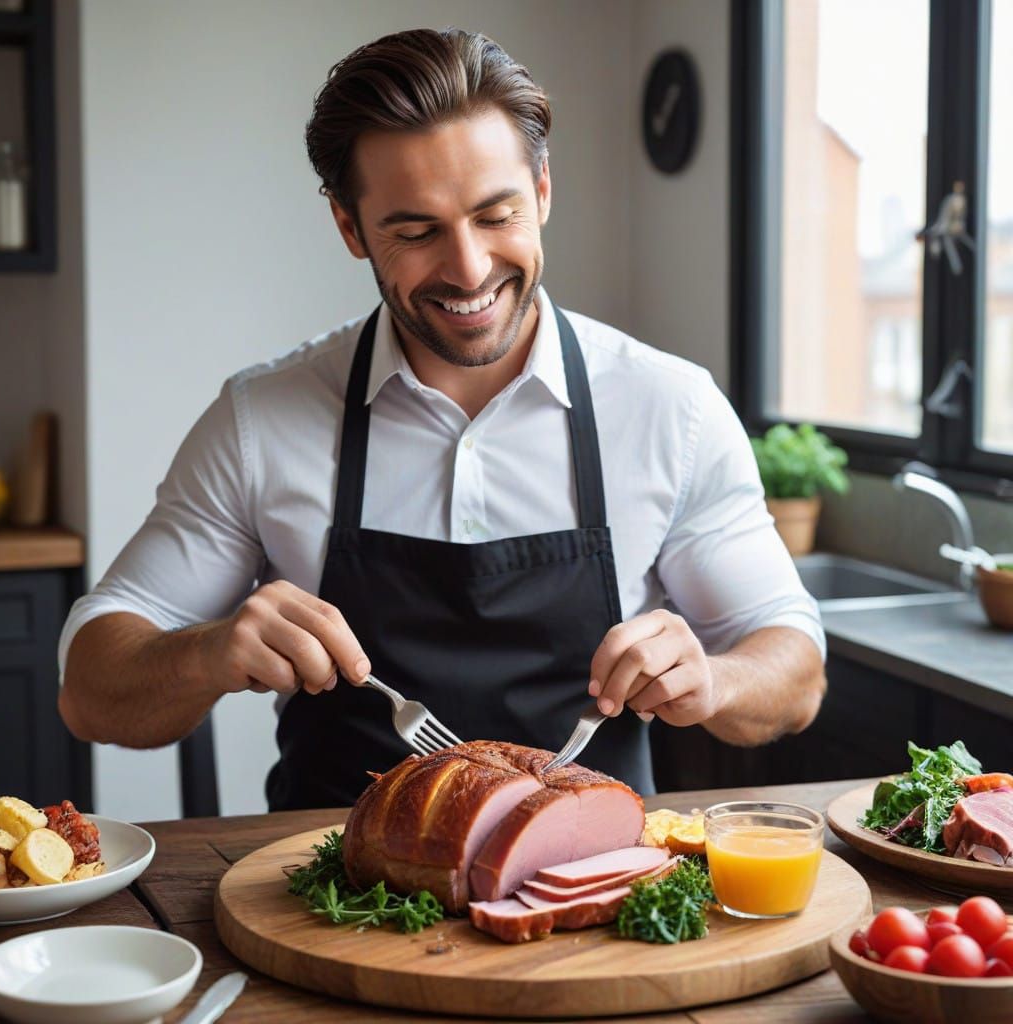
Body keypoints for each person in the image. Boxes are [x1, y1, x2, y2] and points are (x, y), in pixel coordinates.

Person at [58, 28, 826, 809]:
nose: (469, 268)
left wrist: (714, 680)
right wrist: (208, 653)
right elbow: (89, 691)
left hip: (595, 876)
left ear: (543, 191)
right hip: (325, 877)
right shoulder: (261, 422)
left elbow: (795, 669)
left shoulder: (670, 408)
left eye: (496, 215)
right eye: (417, 232)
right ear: (351, 229)